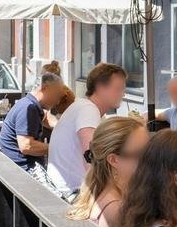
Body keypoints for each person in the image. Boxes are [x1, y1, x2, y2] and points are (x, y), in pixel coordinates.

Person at [46, 63, 127, 201]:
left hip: (62, 190)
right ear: (101, 88)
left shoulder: (84, 107)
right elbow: (91, 158)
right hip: (71, 195)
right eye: (118, 88)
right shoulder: (88, 110)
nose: (123, 94)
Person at [67, 117, 148, 227]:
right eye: (141, 154)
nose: (150, 159)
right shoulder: (117, 210)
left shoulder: (103, 194)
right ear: (113, 160)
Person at [0, 72, 64, 180]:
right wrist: (57, 148)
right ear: (45, 88)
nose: (57, 101)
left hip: (17, 168)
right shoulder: (29, 108)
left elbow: (46, 120)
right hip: (22, 173)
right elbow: (26, 146)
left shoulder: (28, 103)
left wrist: (62, 127)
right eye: (57, 95)